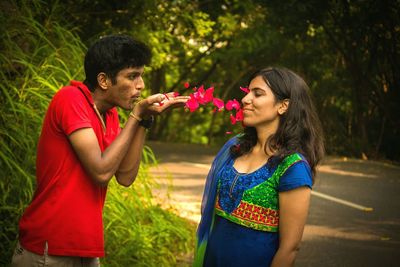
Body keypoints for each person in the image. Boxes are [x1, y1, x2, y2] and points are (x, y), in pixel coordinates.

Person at [11, 35, 188, 266]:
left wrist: (144, 120)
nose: (141, 85)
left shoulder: (110, 114)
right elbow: (101, 172)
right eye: (133, 76)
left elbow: (125, 176)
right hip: (48, 248)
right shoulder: (70, 99)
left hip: (86, 247)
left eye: (141, 75)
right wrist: (136, 115)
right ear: (104, 80)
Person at [194, 67, 324, 267]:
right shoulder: (234, 149)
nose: (245, 99)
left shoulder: (291, 167)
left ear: (283, 106)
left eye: (257, 93)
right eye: (247, 92)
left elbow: (289, 248)